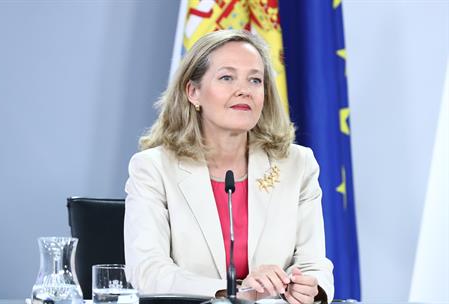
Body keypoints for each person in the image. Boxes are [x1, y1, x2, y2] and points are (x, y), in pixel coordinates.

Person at [124, 29, 334, 303]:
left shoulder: (297, 164)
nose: (244, 90)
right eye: (227, 77)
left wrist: (309, 288)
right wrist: (234, 291)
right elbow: (148, 273)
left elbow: (314, 264)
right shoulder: (153, 168)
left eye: (255, 80)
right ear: (193, 92)